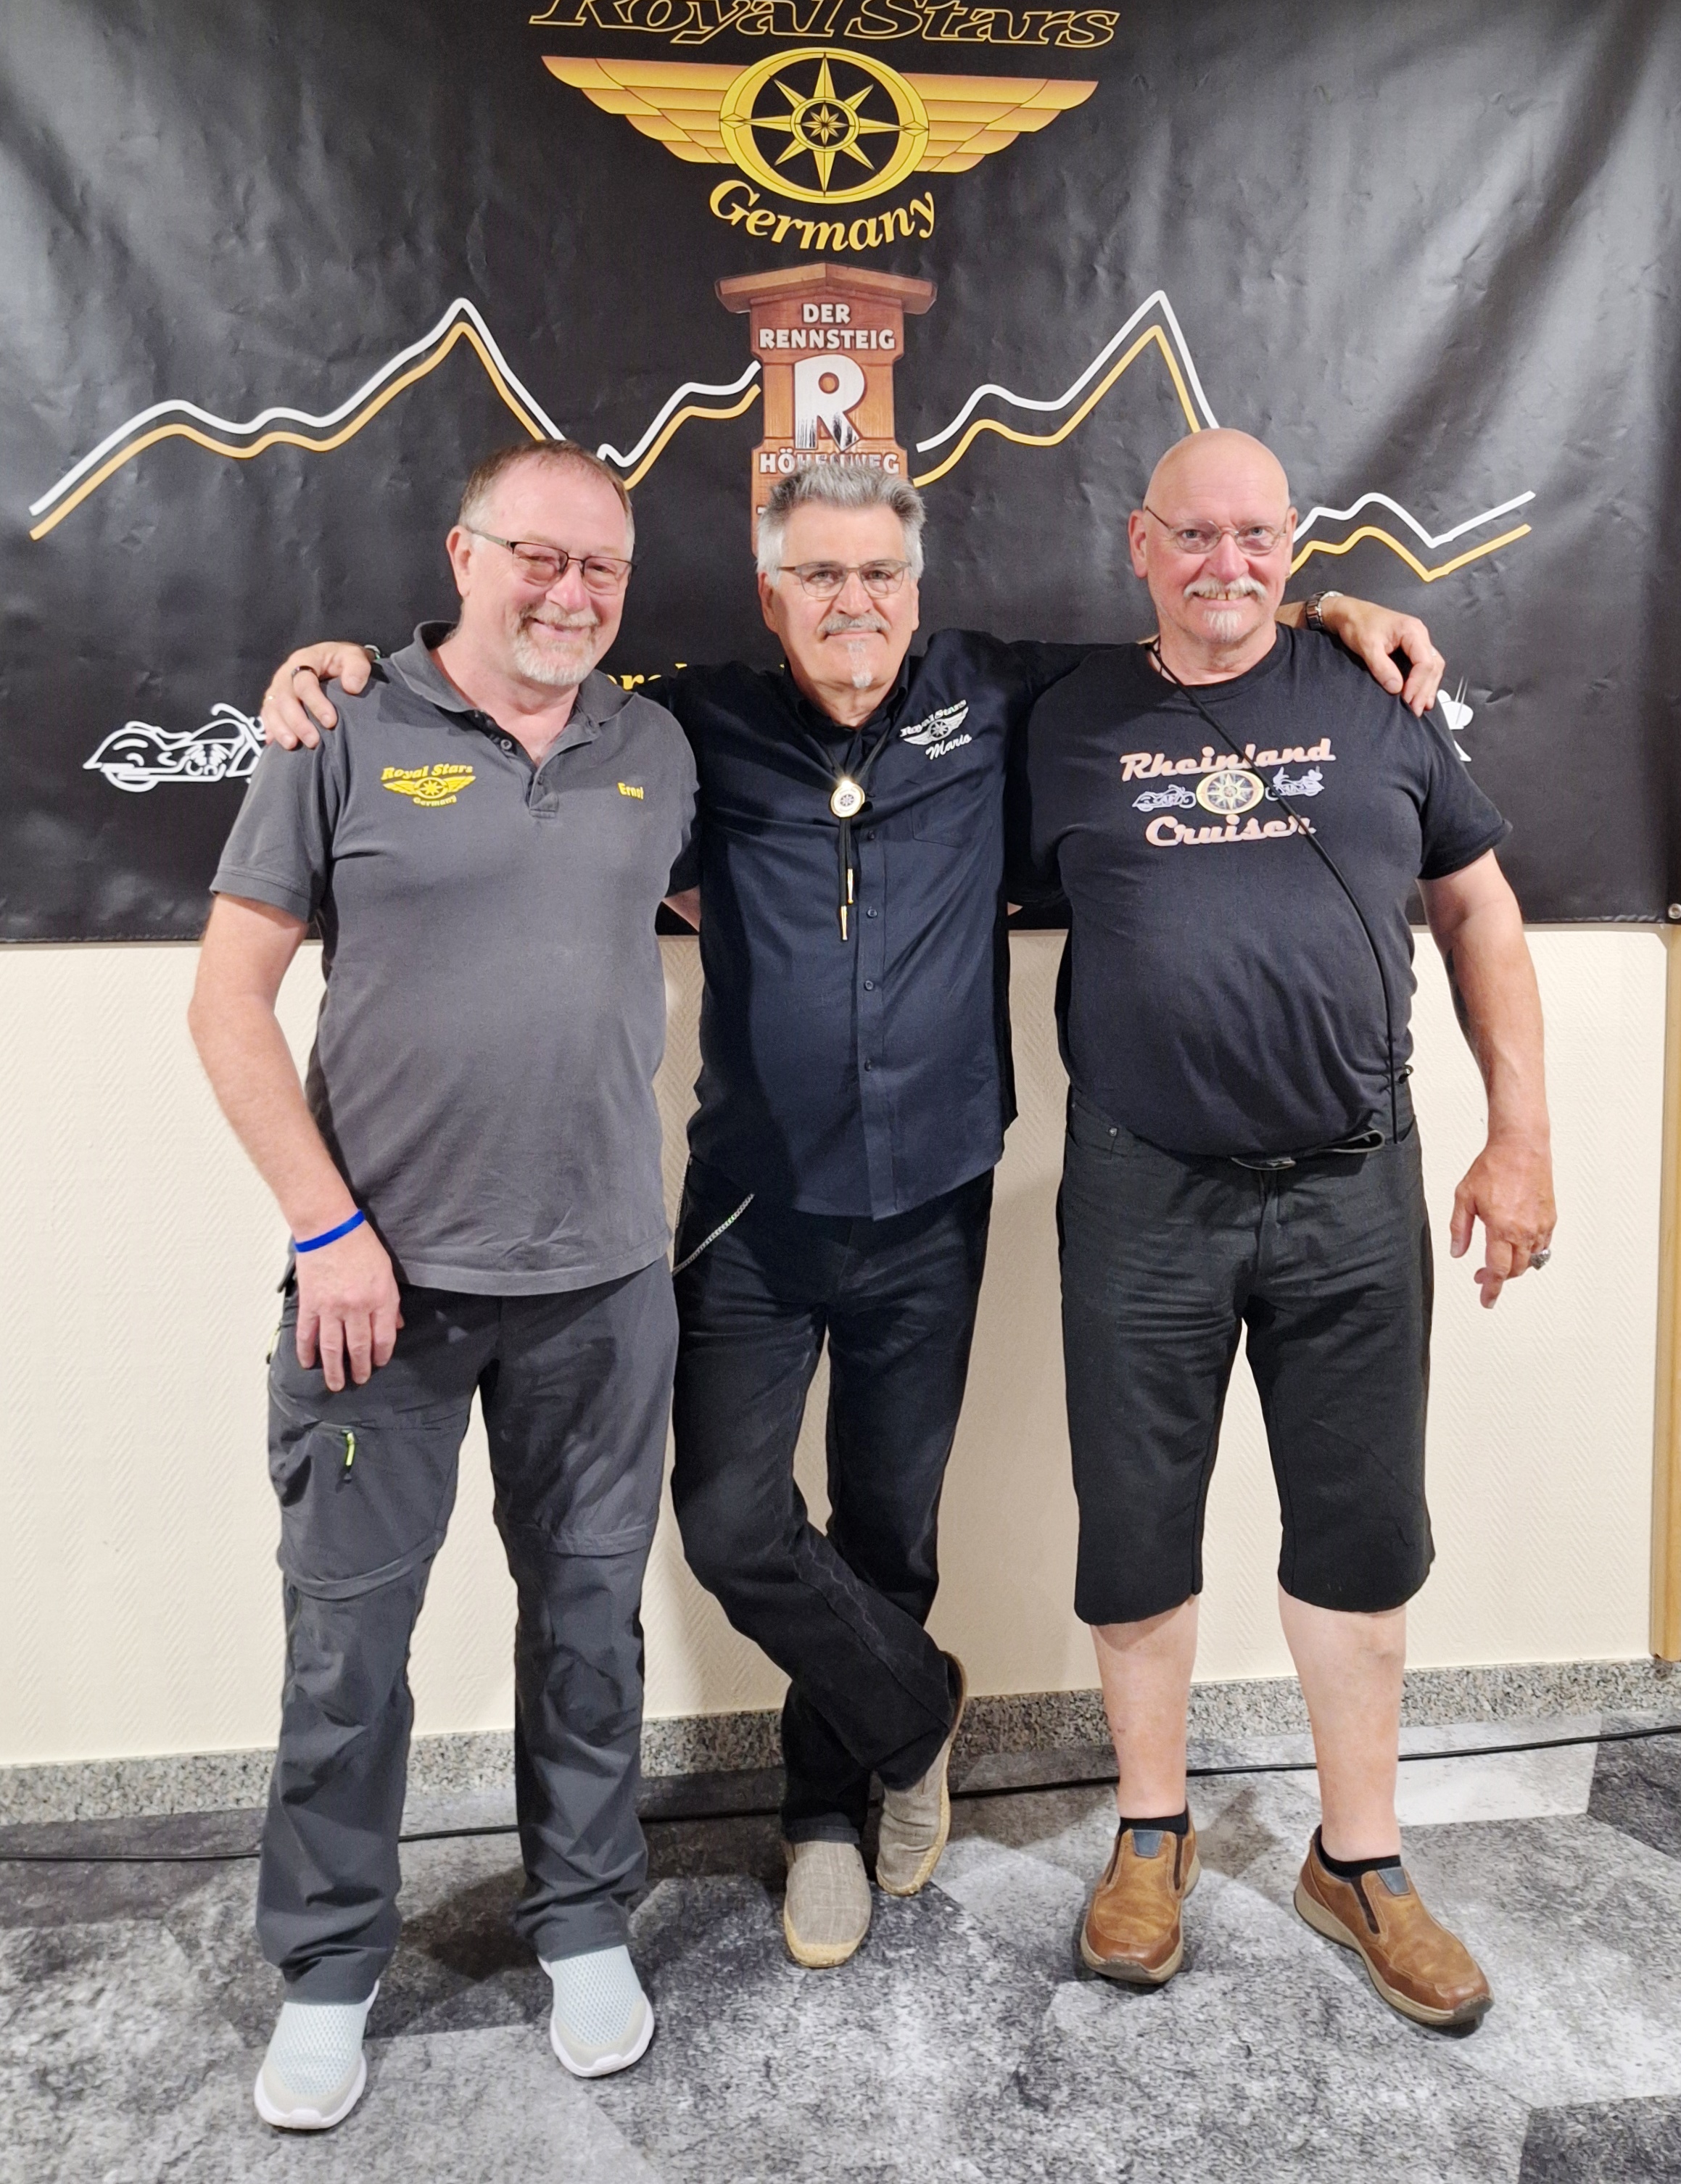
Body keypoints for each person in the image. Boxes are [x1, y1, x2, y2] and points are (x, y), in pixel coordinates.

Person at [260, 458, 1444, 1974]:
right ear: (771, 595)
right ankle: (911, 1710)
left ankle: (826, 1811)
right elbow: (509, 686)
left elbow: (1210, 625)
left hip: (933, 1199)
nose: (853, 602)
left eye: (879, 573)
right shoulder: (685, 722)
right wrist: (350, 667)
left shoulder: (998, 691)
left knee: (889, 1527)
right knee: (729, 1519)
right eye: (818, 575)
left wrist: (1338, 611)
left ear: (916, 587)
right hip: (752, 1204)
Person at [188, 440, 696, 2130]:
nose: (569, 591)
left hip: (603, 1281)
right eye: (536, 555)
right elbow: (227, 1001)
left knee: (590, 1620)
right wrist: (324, 1227)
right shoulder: (339, 727)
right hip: (376, 1293)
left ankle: (584, 1918)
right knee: (347, 1641)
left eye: (601, 567)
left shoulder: (654, 747)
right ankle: (331, 1963)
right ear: (463, 553)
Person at [1020, 426, 1554, 2031]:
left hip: (1350, 1185)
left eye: (1258, 536)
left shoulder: (1376, 698)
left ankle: (1358, 1859)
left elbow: (1477, 906)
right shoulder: (1064, 712)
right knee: (1134, 1527)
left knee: (1360, 1531)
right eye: (1194, 535)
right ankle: (1150, 1833)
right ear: (1139, 544)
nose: (1227, 563)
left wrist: (1520, 1135)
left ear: (1294, 546)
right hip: (1141, 1187)